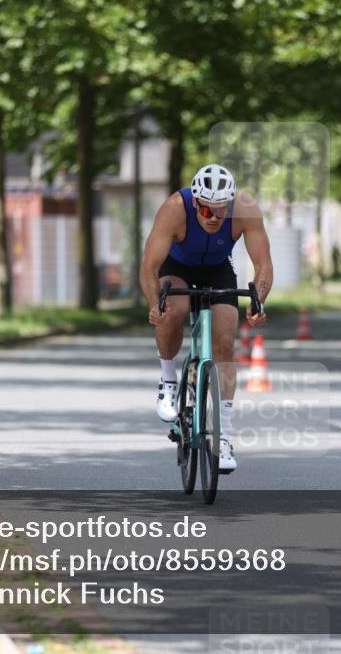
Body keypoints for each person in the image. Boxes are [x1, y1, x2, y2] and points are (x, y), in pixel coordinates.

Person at [141, 164, 272, 472]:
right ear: (196, 202)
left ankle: (224, 437)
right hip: (177, 267)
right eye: (207, 211)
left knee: (226, 340)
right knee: (174, 309)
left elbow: (263, 265)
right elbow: (148, 266)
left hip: (217, 267)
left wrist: (258, 301)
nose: (214, 218)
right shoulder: (175, 208)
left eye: (221, 211)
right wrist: (153, 303)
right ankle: (169, 380)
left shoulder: (245, 208)